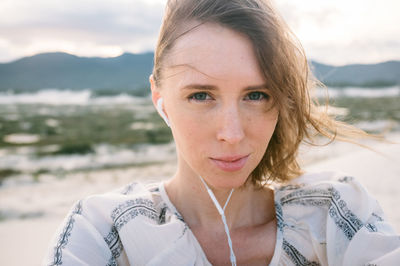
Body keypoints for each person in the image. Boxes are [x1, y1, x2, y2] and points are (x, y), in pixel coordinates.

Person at [43, 0, 400, 265]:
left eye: (256, 95)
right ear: (160, 98)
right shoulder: (103, 234)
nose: (232, 133)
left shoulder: (333, 217)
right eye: (201, 95)